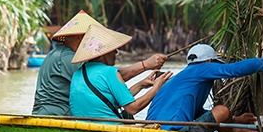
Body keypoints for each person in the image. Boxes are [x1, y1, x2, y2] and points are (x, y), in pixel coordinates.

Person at [31, 10, 166, 116]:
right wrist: (146, 65)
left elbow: (110, 90)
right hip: (57, 113)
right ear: (79, 37)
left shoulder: (58, 53)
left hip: (54, 111)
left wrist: (141, 84)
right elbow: (107, 78)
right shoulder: (67, 57)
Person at [145, 44, 263, 132]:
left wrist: (234, 119)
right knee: (222, 111)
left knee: (224, 114)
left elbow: (197, 113)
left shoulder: (180, 78)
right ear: (210, 61)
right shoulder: (203, 68)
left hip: (151, 131)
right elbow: (234, 69)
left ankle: (231, 129)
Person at [69, 23, 173, 119]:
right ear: (103, 54)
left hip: (85, 129)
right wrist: (156, 88)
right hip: (110, 129)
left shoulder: (77, 73)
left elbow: (117, 102)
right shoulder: (109, 72)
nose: (116, 52)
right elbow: (133, 108)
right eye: (112, 49)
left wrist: (141, 85)